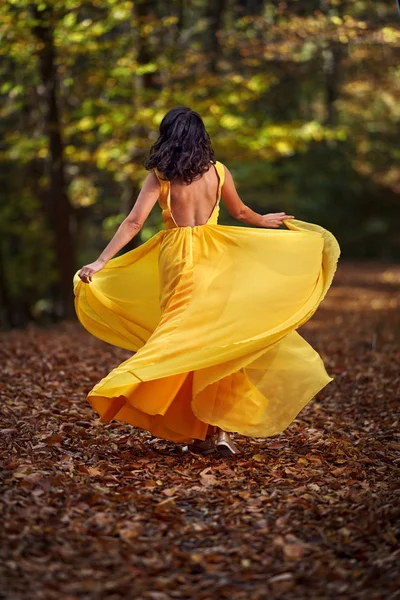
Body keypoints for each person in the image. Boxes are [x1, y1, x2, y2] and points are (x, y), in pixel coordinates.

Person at [74, 106, 340, 457]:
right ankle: (218, 432)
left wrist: (102, 260)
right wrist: (265, 220)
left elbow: (134, 223)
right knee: (218, 341)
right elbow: (241, 213)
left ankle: (133, 388)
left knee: (183, 338)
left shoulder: (161, 175)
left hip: (179, 261)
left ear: (168, 136)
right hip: (217, 258)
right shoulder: (218, 171)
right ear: (201, 136)